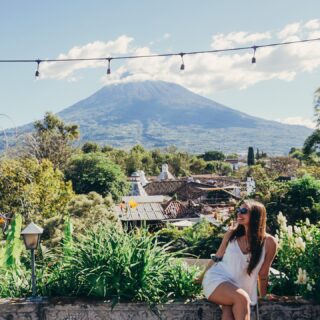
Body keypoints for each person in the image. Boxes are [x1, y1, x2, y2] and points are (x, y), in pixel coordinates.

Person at [197, 200, 278, 320]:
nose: (239, 214)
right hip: (217, 279)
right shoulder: (231, 235)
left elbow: (263, 273)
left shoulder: (269, 242)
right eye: (238, 210)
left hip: (240, 288)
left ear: (256, 215)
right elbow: (217, 257)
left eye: (244, 211)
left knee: (228, 309)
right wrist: (201, 277)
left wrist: (263, 296)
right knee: (241, 298)